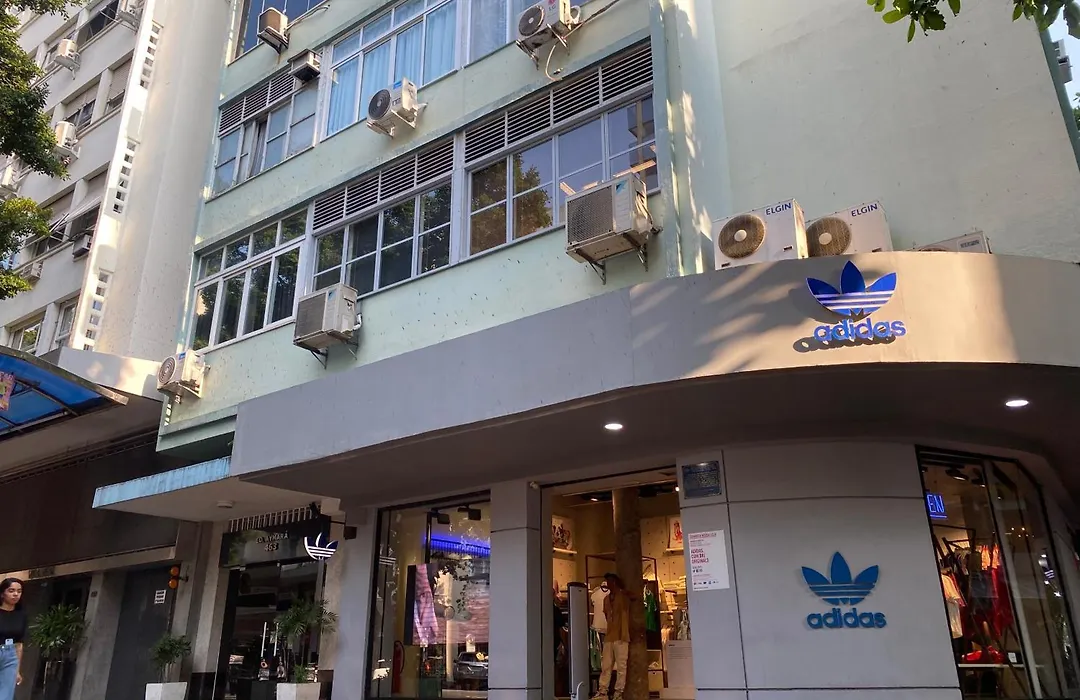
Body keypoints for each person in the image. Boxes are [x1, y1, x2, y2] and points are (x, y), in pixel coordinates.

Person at [593, 573, 630, 700]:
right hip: (610, 636)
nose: (608, 584)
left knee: (621, 666)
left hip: (621, 635)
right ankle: (603, 691)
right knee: (606, 666)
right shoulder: (606, 599)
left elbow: (633, 598)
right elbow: (606, 614)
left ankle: (618, 693)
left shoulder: (623, 597)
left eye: (610, 581)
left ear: (614, 582)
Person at [0, 579, 26, 700]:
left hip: (11, 655)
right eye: (11, 591)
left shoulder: (21, 615)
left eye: (19, 591)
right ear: (2, 593)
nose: (16, 594)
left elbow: (19, 643)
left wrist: (17, 670)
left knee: (6, 695)